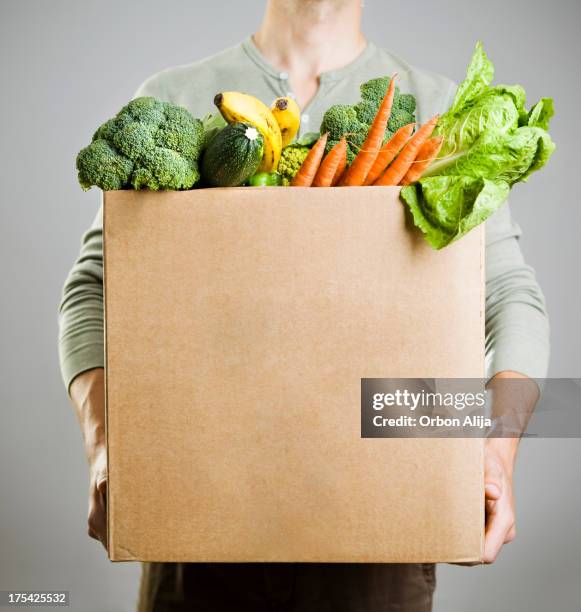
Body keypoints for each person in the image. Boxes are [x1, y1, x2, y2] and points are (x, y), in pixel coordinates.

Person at [60, 0, 549, 610]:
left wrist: (495, 451)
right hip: (197, 519)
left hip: (381, 532)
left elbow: (508, 295)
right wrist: (106, 444)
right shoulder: (177, 98)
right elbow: (93, 287)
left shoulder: (436, 110)